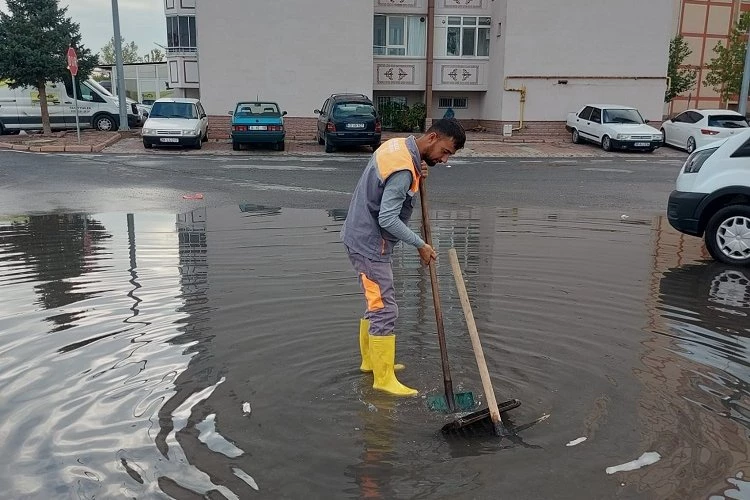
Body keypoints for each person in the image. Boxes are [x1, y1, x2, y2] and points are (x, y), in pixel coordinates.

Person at [341, 119, 466, 396]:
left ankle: (371, 363)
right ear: (432, 138)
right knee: (385, 309)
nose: (444, 160)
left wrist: (419, 172)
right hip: (370, 245)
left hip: (360, 236)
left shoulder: (399, 147)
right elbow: (387, 218)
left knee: (375, 304)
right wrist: (420, 244)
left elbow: (397, 178)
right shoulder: (403, 168)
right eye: (445, 152)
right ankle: (383, 379)